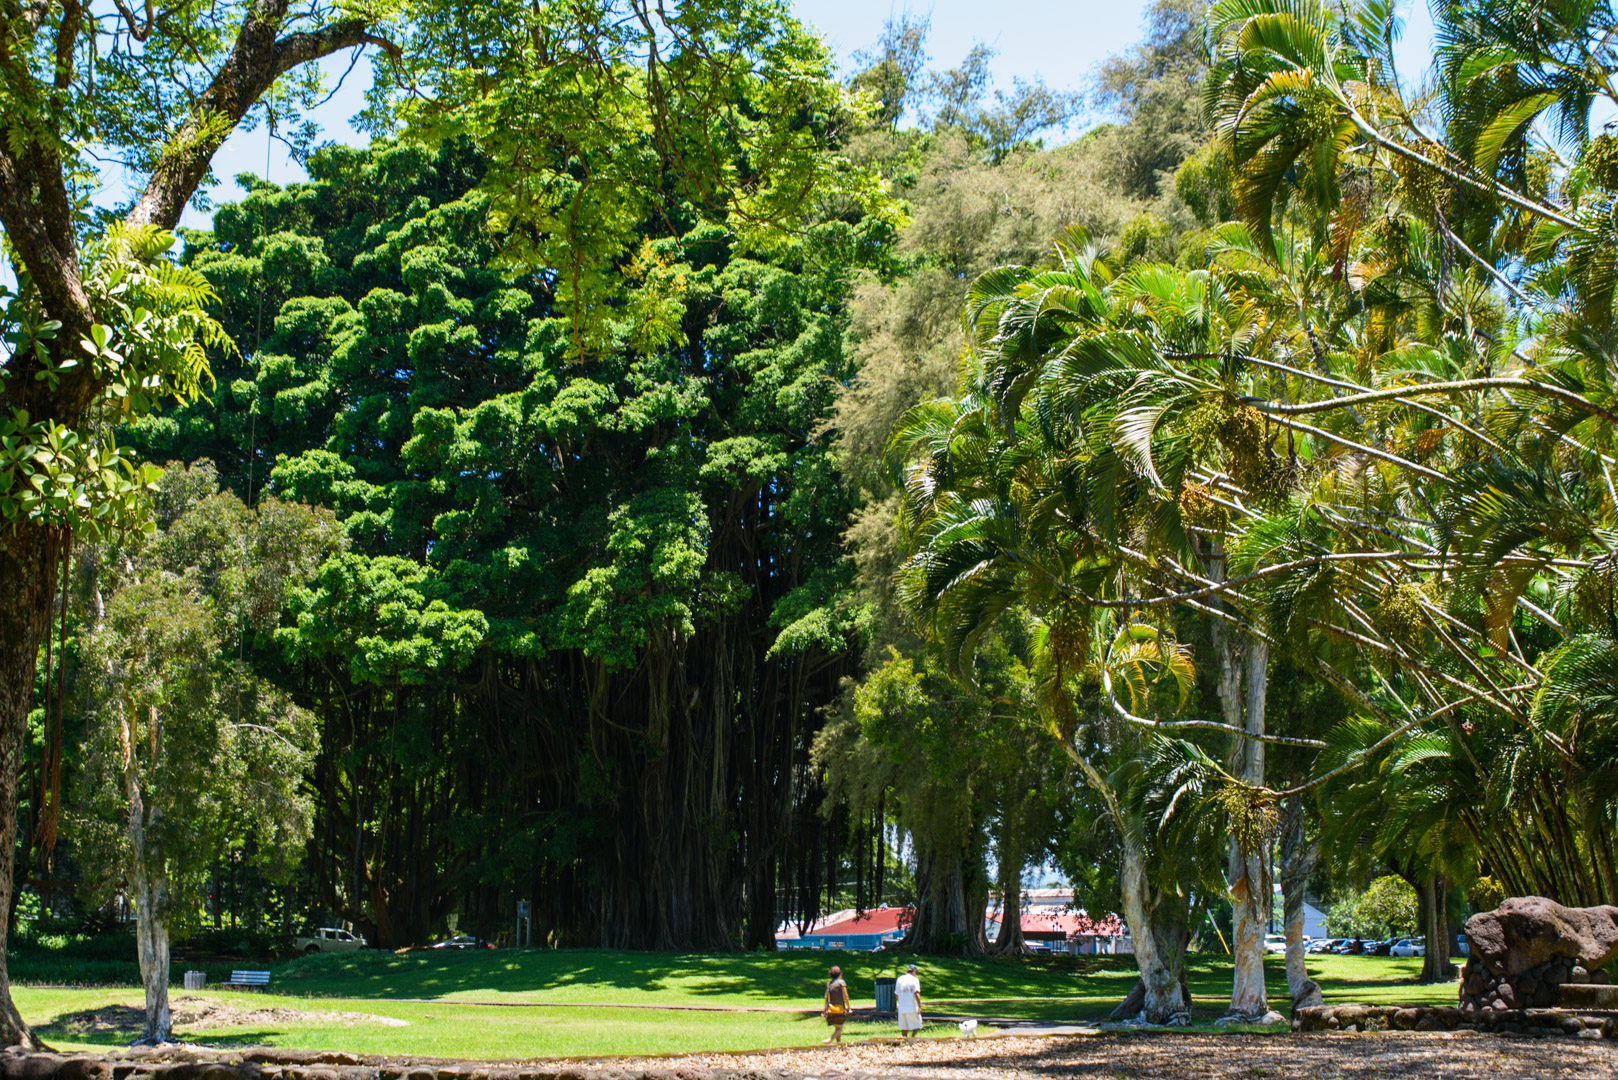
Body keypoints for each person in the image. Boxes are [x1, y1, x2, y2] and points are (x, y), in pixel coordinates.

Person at [895, 963, 923, 1038]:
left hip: (902, 1007)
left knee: (904, 1027)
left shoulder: (900, 979)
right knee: (918, 1025)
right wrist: (919, 1006)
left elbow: (896, 994)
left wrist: (900, 1002)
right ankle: (912, 1038)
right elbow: (916, 993)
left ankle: (904, 1040)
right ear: (914, 972)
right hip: (912, 1006)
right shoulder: (914, 980)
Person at [823, 965, 850, 1043]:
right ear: (840, 974)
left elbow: (826, 997)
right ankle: (830, 1040)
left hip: (830, 1010)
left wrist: (824, 1009)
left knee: (837, 1027)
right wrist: (849, 1007)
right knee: (839, 1028)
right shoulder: (841, 982)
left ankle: (839, 1042)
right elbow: (845, 996)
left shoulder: (829, 984)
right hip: (839, 1009)